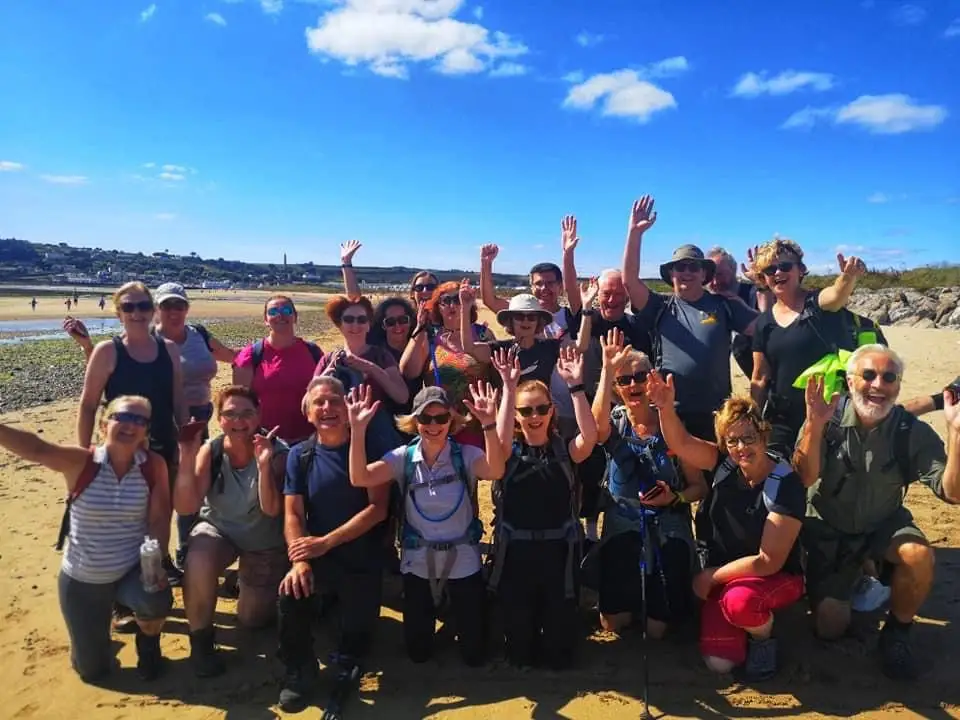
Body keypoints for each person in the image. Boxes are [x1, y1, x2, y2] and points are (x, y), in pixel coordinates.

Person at [793, 345, 960, 680]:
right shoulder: (830, 417)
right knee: (830, 627)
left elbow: (952, 493)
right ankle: (860, 572)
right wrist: (813, 426)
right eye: (868, 375)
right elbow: (805, 477)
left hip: (881, 523)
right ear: (851, 381)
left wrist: (956, 432)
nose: (878, 385)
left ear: (898, 386)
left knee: (918, 555)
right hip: (829, 528)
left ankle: (897, 632)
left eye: (889, 377)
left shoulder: (909, 432)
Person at [0, 396, 173, 681]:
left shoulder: (153, 465)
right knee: (93, 671)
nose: (131, 425)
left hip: (131, 570)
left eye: (140, 420)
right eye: (123, 417)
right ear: (104, 424)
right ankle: (94, 641)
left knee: (156, 598)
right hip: (83, 577)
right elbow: (37, 449)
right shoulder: (82, 461)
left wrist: (154, 565)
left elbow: (158, 518)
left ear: (147, 431)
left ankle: (149, 646)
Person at [646, 373, 806, 681]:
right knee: (720, 663)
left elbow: (767, 561)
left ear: (764, 435)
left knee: (740, 602)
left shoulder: (785, 483)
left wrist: (711, 576)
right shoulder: (724, 464)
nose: (741, 447)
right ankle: (743, 623)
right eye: (732, 440)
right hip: (727, 572)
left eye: (749, 438)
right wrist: (665, 407)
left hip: (773, 576)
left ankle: (764, 637)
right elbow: (680, 443)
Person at [348, 383, 508, 666]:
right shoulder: (403, 458)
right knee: (418, 653)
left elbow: (495, 470)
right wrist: (358, 430)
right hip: (418, 560)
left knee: (474, 655)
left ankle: (456, 614)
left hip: (463, 559)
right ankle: (443, 612)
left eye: (441, 418)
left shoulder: (465, 456)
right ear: (414, 421)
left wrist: (489, 425)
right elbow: (360, 477)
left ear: (452, 420)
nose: (433, 425)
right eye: (425, 418)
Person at [276, 377, 395, 714]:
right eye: (319, 403)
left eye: (334, 401)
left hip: (360, 558)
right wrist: (299, 559)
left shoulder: (371, 450)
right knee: (290, 592)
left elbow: (378, 509)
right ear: (308, 413)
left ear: (347, 408)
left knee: (356, 644)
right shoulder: (300, 455)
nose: (327, 408)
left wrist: (327, 542)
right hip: (316, 557)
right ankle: (299, 669)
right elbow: (293, 512)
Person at [588, 329, 707, 638]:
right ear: (615, 388)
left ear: (651, 378)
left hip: (668, 525)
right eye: (623, 380)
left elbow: (699, 486)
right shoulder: (614, 422)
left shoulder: (673, 424)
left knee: (657, 631)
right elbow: (595, 428)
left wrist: (675, 498)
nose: (633, 385)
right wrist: (606, 369)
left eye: (640, 376)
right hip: (622, 524)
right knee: (613, 624)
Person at [486, 345, 597, 669]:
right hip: (516, 554)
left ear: (551, 411)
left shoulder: (564, 450)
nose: (534, 416)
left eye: (541, 409)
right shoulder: (506, 453)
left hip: (558, 554)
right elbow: (502, 440)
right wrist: (508, 387)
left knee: (559, 656)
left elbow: (589, 438)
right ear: (517, 416)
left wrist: (576, 388)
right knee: (520, 653)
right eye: (526, 411)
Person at [174, 386, 289, 678]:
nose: (239, 420)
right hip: (220, 530)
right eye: (230, 414)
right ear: (220, 420)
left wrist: (263, 467)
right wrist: (187, 456)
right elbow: (187, 506)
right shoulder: (210, 451)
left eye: (247, 413)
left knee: (251, 619)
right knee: (197, 558)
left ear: (259, 414)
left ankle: (242, 579)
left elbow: (272, 510)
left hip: (263, 542)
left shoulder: (278, 452)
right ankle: (200, 641)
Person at [623, 196, 758, 440]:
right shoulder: (660, 307)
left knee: (713, 475)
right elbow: (629, 281)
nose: (687, 272)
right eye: (680, 267)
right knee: (673, 477)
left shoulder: (724, 305)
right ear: (671, 273)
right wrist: (635, 233)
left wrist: (766, 286)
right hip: (670, 412)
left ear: (704, 273)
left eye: (693, 267)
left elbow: (767, 328)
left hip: (716, 413)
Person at [77, 283, 184, 584]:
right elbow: (87, 405)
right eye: (129, 307)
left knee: (161, 511)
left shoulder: (169, 349)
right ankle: (120, 592)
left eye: (143, 306)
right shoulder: (107, 351)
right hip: (118, 450)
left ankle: (157, 564)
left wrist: (186, 442)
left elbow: (177, 400)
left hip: (162, 444)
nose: (137, 313)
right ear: (118, 313)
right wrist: (84, 453)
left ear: (152, 311)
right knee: (122, 516)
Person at [750, 238, 868, 456]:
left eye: (785, 266)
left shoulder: (818, 304)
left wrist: (848, 276)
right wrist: (752, 417)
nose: (777, 273)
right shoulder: (763, 323)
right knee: (782, 476)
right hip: (781, 419)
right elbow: (760, 377)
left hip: (829, 414)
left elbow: (836, 295)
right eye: (769, 269)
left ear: (800, 270)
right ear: (763, 278)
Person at [399, 282, 496, 448]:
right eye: (446, 300)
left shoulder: (482, 334)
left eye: (458, 299)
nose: (453, 305)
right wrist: (420, 328)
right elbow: (409, 371)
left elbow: (497, 375)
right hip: (439, 424)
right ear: (438, 307)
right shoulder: (430, 338)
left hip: (478, 423)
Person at [233, 295, 324, 445]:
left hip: (309, 441)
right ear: (265, 320)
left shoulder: (313, 352)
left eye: (287, 310)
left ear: (295, 317)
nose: (280, 315)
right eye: (273, 311)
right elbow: (240, 404)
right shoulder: (251, 355)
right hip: (266, 442)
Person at [706, 246, 769, 380]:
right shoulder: (709, 302)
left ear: (733, 270)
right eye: (710, 276)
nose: (715, 282)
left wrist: (761, 284)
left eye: (720, 274)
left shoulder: (754, 293)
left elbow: (772, 326)